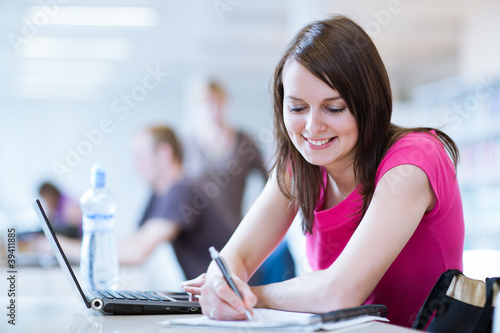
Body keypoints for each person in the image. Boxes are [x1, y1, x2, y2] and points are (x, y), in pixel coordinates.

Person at [181, 15, 465, 328]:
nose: (313, 127)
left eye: (334, 108)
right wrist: (221, 285)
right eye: (297, 108)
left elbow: (339, 293)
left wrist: (248, 295)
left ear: (368, 104)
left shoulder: (413, 162)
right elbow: (236, 258)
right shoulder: (299, 167)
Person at [183, 79, 296, 286]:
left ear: (224, 102)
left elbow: (270, 182)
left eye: (215, 101)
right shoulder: (188, 145)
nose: (211, 108)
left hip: (233, 227)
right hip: (198, 233)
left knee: (235, 283)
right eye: (205, 102)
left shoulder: (244, 142)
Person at [117, 125, 240, 280]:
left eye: (140, 156)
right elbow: (137, 239)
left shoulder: (184, 190)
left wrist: (82, 251)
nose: (135, 166)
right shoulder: (160, 193)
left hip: (239, 290)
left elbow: (138, 252)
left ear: (164, 153)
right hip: (213, 290)